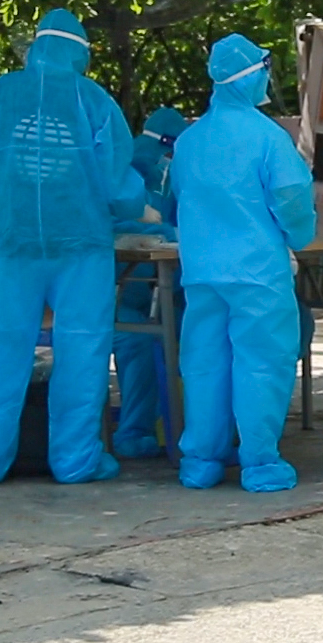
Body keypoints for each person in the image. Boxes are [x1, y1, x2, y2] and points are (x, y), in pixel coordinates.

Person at [0, 9, 148, 484]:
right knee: (82, 352)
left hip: (13, 246)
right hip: (82, 248)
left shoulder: (1, 94)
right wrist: (138, 205)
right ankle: (74, 460)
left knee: (4, 348)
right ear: (79, 51)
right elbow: (117, 184)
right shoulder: (93, 100)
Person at [171, 34, 316, 492]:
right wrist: (298, 237)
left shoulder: (189, 141)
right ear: (252, 75)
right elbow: (292, 199)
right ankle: (259, 462)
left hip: (202, 273)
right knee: (262, 363)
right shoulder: (268, 137)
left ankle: (200, 461)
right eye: (263, 68)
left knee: (204, 364)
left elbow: (177, 201)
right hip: (257, 272)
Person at [110, 105, 188, 459]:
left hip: (165, 289)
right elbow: (104, 224)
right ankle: (136, 432)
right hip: (116, 292)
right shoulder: (122, 170)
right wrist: (156, 229)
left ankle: (195, 429)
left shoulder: (172, 178)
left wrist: (168, 231)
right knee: (137, 341)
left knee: (201, 335)